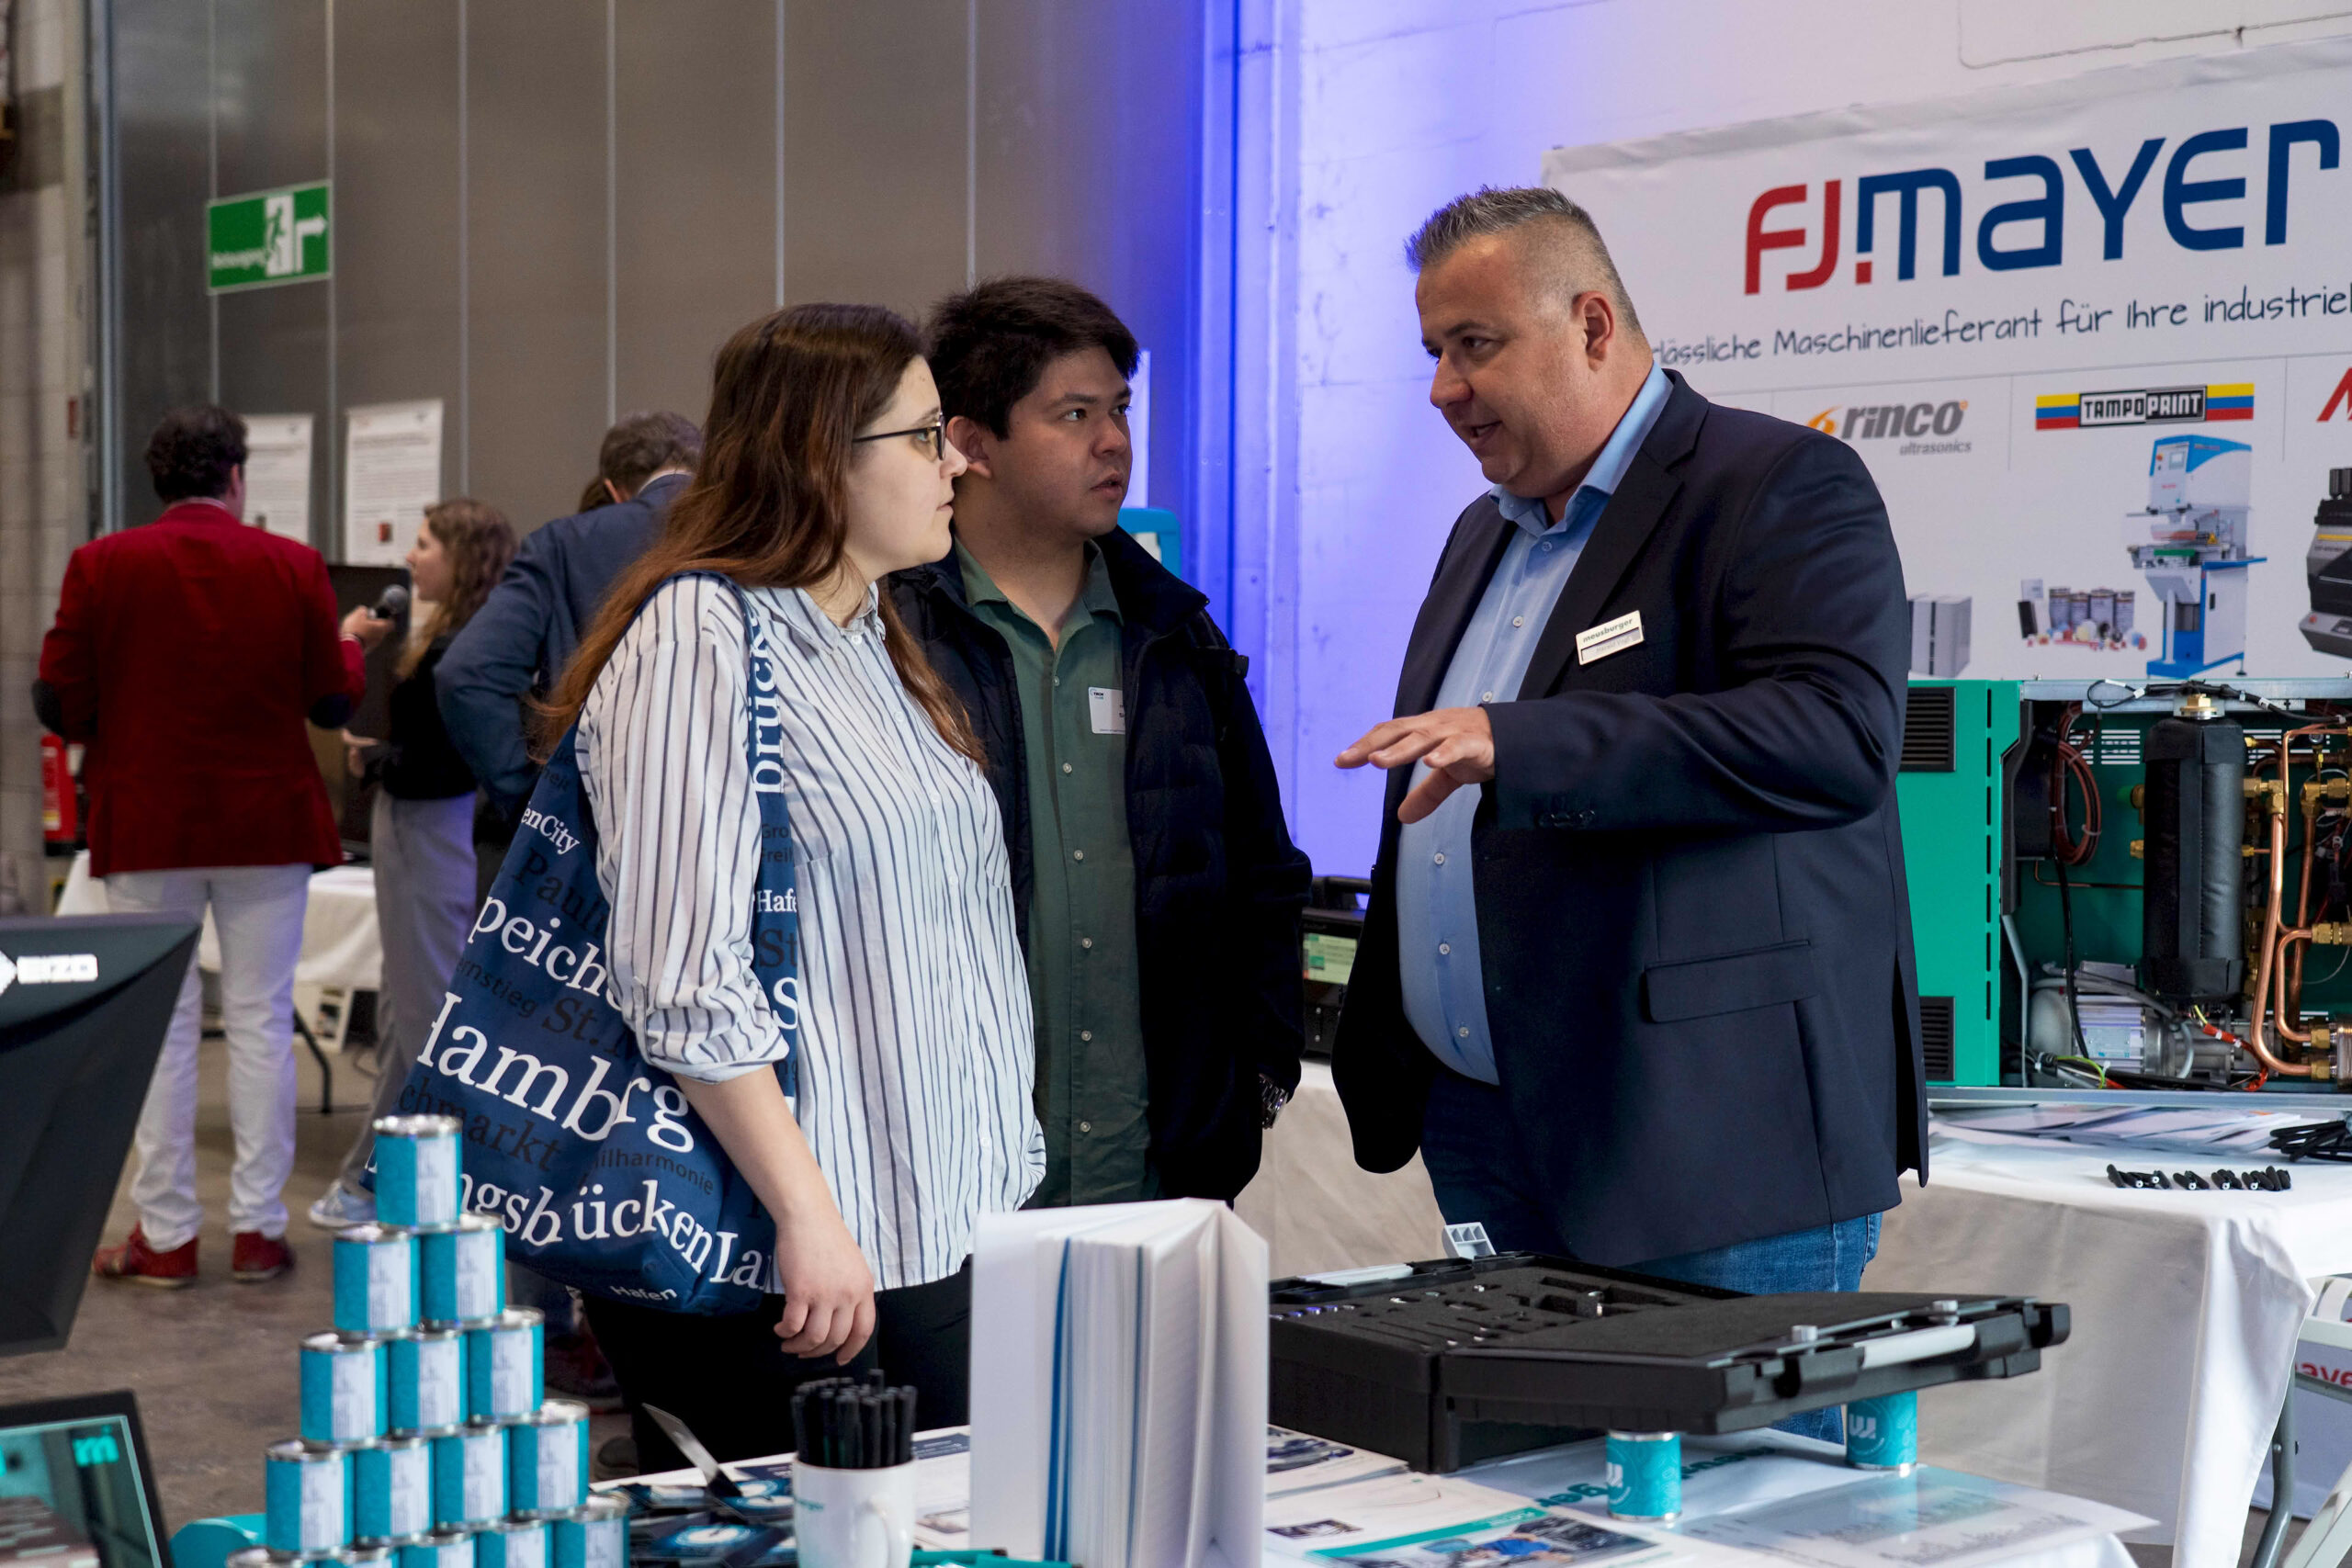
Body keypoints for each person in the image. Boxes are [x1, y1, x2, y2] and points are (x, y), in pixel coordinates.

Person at [1330, 187, 1922, 1411]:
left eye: (1474, 344)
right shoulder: (1481, 534)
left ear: (1591, 325)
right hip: (1496, 1124)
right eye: (1433, 351)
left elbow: (1836, 737)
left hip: (1712, 1149)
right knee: (1530, 1485)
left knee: (1728, 1498)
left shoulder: (1777, 483)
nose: (1443, 388)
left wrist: (1520, 738)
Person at [537, 303, 1042, 1470]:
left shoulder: (872, 635)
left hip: (940, 1215)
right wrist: (809, 1216)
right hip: (798, 1252)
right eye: (926, 436)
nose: (959, 462)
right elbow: (682, 978)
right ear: (821, 455)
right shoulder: (701, 635)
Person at [892, 276, 1311, 1206]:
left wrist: (1258, 1073)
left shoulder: (1176, 636)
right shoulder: (892, 635)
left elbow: (1263, 869)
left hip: (1158, 1169)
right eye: (1074, 414)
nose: (1115, 440)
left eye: (1119, 409)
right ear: (971, 443)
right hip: (950, 1176)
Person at [34, 404, 368, 1287]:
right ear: (236, 478)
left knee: (164, 1026)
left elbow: (59, 699)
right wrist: (349, 648)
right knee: (261, 1019)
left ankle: (167, 1235)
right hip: (267, 824)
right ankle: (259, 1230)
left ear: (159, 481)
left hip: (149, 821)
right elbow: (331, 700)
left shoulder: (101, 564)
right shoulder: (293, 564)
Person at [309, 500, 517, 1230]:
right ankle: (381, 1175)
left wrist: (375, 762)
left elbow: (440, 763)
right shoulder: (460, 639)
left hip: (428, 827)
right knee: (404, 1007)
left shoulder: (456, 650)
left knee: (426, 1012)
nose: (410, 558)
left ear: (460, 558)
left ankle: (431, 1180)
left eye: (425, 545)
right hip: (422, 827)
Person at [437, 410, 701, 882]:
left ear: (614, 488)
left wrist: (532, 797)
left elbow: (467, 673)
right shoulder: (761, 537)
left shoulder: (563, 544)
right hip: (720, 838)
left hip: (585, 838)